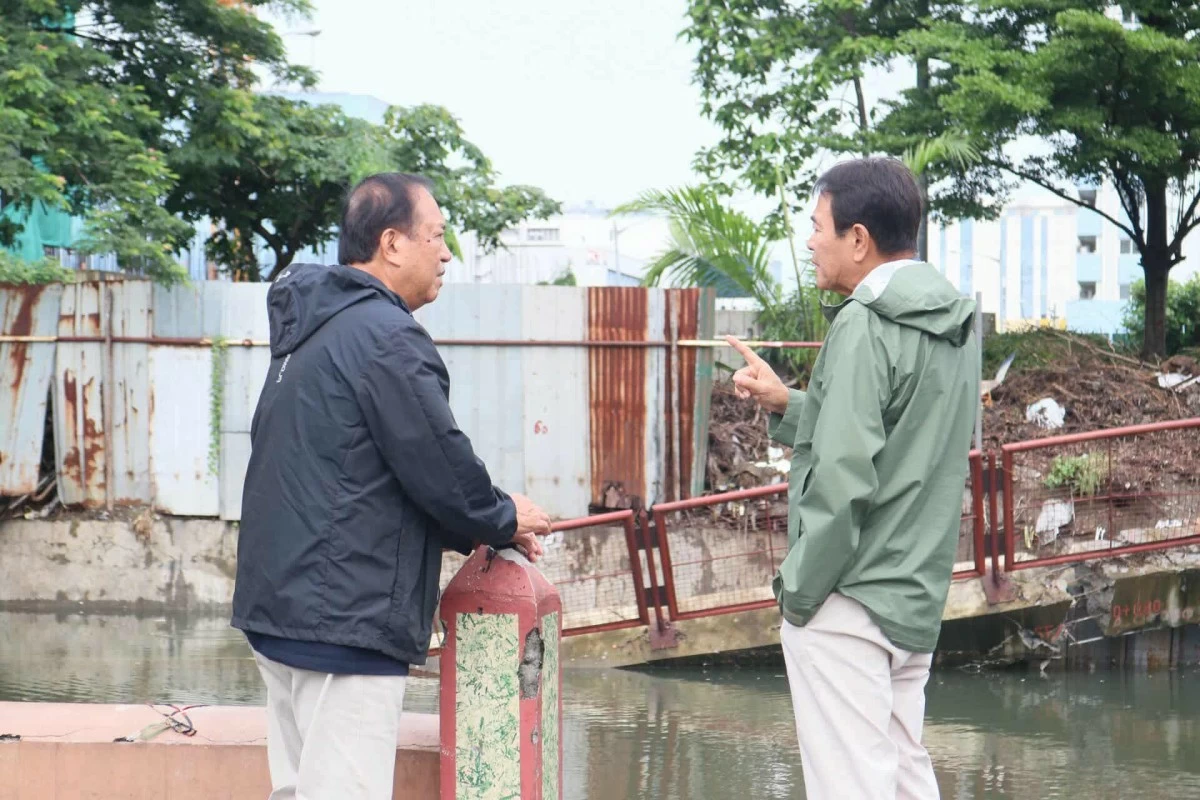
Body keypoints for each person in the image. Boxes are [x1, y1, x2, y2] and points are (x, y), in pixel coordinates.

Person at [231, 172, 551, 800]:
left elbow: (372, 472)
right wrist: (503, 518)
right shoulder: (385, 337)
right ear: (392, 244)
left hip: (283, 609)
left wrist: (477, 526)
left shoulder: (315, 328)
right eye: (435, 235)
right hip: (342, 620)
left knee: (297, 790)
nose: (447, 251)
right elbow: (438, 464)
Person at [727, 157, 978, 800]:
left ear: (858, 238)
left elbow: (843, 478)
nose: (810, 241)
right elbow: (905, 435)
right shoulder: (954, 324)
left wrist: (799, 594)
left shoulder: (864, 321)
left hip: (850, 598)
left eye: (819, 227)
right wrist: (789, 402)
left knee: (850, 785)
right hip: (913, 592)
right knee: (900, 772)